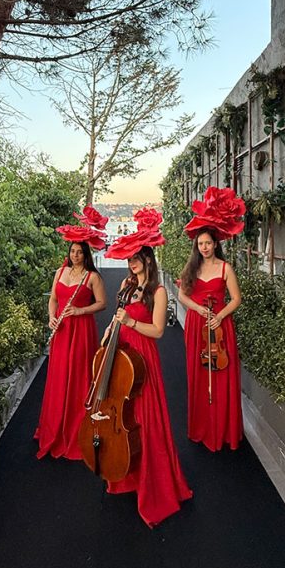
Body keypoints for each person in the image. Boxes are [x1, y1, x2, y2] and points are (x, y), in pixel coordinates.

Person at [100, 208, 192, 527]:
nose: (132, 263)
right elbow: (118, 315)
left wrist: (131, 322)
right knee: (124, 415)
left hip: (143, 356)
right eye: (129, 259)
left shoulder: (158, 292)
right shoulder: (126, 285)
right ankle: (126, 471)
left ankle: (154, 481)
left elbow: (158, 331)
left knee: (146, 417)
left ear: (148, 259)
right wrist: (110, 330)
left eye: (137, 258)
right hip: (122, 352)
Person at [35, 208, 108, 460]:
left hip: (81, 331)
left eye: (79, 252)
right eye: (72, 251)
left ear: (86, 254)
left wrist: (79, 310)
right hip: (62, 331)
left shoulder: (92, 276)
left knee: (78, 376)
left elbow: (103, 304)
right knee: (59, 375)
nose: (75, 255)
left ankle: (78, 428)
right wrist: (51, 318)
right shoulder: (60, 272)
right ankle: (56, 425)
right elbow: (53, 299)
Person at [178, 187, 246, 452]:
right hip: (197, 325)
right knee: (198, 376)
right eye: (200, 244)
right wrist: (198, 308)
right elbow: (183, 296)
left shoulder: (225, 268)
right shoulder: (192, 268)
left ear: (216, 244)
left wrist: (219, 316)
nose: (204, 247)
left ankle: (223, 430)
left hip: (220, 326)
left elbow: (236, 299)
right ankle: (202, 427)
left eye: (208, 243)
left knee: (222, 377)